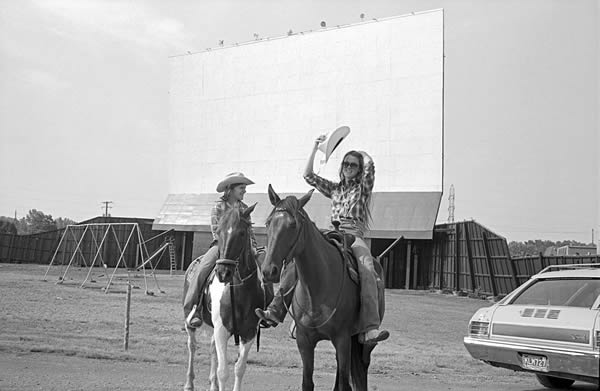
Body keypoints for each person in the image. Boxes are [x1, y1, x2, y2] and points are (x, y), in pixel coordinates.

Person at [256, 135, 389, 344]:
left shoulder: (363, 188)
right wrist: (316, 147)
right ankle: (277, 309)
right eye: (345, 163)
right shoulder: (334, 189)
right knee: (297, 260)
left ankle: (370, 327)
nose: (348, 167)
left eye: (353, 165)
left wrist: (357, 151)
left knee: (366, 268)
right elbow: (308, 175)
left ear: (359, 168)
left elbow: (371, 166)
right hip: (332, 233)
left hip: (354, 236)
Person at [183, 172, 260, 329]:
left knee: (262, 267)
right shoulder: (218, 206)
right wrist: (226, 246)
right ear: (230, 189)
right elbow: (216, 231)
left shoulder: (244, 208)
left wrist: (254, 246)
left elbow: (249, 232)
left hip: (242, 247)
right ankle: (194, 308)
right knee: (203, 268)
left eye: (245, 188)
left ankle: (263, 308)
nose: (244, 191)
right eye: (241, 188)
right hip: (221, 246)